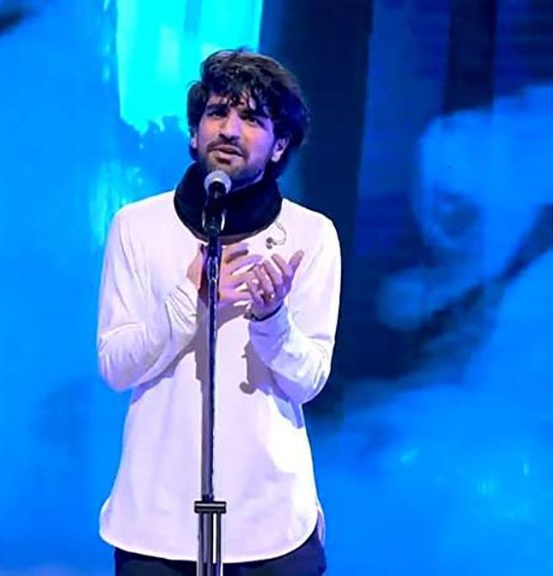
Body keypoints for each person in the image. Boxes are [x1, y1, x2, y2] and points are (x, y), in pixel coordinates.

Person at [95, 48, 341, 575]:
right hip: (156, 524)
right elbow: (116, 366)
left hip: (271, 524)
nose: (229, 129)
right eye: (217, 112)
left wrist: (272, 319)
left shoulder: (311, 235)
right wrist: (191, 299)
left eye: (251, 118)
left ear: (279, 145)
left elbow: (308, 381)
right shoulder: (137, 226)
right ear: (194, 132)